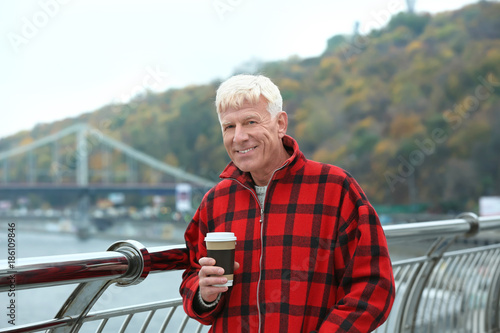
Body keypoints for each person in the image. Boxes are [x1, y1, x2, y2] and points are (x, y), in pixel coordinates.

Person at [180, 74, 395, 332]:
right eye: (229, 127)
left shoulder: (335, 188)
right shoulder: (215, 201)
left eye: (250, 122)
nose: (239, 137)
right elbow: (192, 274)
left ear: (280, 123)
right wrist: (205, 295)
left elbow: (374, 287)